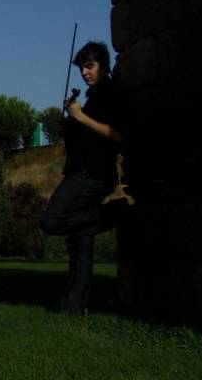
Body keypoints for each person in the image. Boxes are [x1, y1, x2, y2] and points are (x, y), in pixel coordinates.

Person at [40, 40, 127, 313]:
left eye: (90, 66)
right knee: (81, 240)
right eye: (82, 68)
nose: (85, 73)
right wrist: (72, 122)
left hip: (91, 174)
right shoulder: (91, 97)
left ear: (103, 65)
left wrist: (80, 117)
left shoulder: (111, 93)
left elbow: (117, 134)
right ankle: (73, 307)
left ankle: (115, 213)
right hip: (83, 170)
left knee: (52, 221)